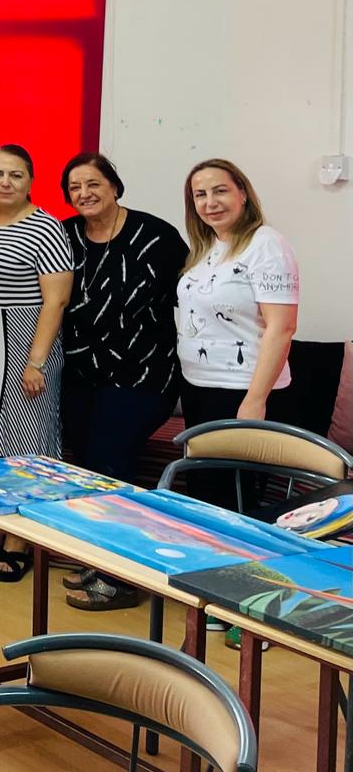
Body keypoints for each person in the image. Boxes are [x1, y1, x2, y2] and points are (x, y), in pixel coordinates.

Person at [59, 153, 185, 611]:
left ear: (114, 186)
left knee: (111, 463)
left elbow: (189, 298)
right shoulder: (65, 235)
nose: (84, 194)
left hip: (143, 374)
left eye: (93, 183)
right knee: (88, 466)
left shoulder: (157, 236)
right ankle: (101, 562)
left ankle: (122, 580)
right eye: (75, 187)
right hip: (80, 374)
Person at [0, 144, 73, 583]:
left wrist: (36, 361)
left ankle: (18, 538)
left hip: (25, 344)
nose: (5, 182)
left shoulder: (46, 227)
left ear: (31, 180)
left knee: (24, 444)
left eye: (16, 175)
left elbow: (55, 300)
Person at [175, 159, 299, 505]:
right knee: (202, 495)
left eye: (220, 191)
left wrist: (255, 400)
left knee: (232, 501)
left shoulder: (266, 244)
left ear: (242, 193)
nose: (210, 202)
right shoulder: (208, 248)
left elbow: (282, 327)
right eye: (200, 195)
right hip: (199, 387)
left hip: (241, 390)